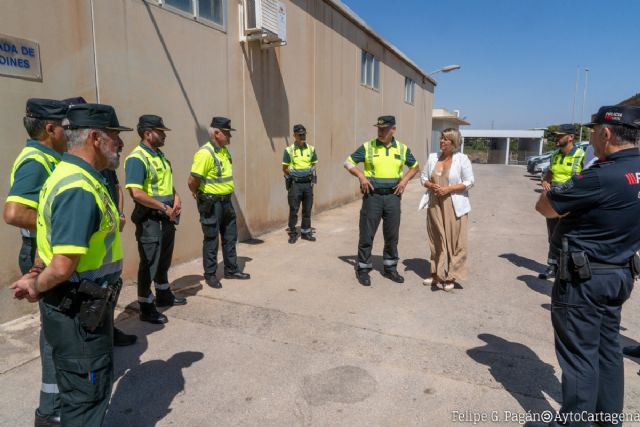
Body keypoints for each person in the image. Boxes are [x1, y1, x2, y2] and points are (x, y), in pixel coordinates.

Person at [10, 103, 133, 426]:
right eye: (114, 136)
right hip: (79, 309)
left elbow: (44, 239)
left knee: (79, 389)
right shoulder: (78, 187)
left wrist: (36, 271)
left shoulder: (68, 175)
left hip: (84, 304)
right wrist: (35, 284)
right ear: (95, 137)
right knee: (85, 396)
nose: (120, 144)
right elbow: (63, 265)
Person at [527, 105, 640, 427]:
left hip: (584, 278)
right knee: (607, 351)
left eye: (592, 132)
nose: (590, 138)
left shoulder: (601, 175)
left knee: (579, 356)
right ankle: (608, 420)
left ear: (606, 133)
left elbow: (545, 206)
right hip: (620, 272)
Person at [4, 98, 67, 426]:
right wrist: (61, 225)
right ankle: (50, 408)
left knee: (60, 329)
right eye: (64, 126)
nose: (68, 132)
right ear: (50, 128)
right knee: (54, 332)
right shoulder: (35, 160)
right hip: (40, 253)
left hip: (49, 251)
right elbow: (13, 213)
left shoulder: (50, 157)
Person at [124, 115, 186, 325]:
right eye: (160, 131)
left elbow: (166, 183)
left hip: (167, 217)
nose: (164, 134)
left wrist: (176, 197)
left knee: (163, 259)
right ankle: (146, 306)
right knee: (149, 262)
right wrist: (163, 207)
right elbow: (136, 193)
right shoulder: (137, 158)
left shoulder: (159, 155)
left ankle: (163, 293)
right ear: (147, 133)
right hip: (151, 219)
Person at [344, 115, 419, 286]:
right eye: (379, 128)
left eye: (384, 129)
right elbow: (348, 162)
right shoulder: (368, 147)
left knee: (392, 235)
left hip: (393, 196)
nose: (381, 131)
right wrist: (361, 176)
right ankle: (363, 268)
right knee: (367, 234)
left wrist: (404, 180)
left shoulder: (402, 148)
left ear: (393, 129)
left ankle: (390, 268)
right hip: (373, 196)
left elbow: (415, 167)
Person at [188, 116, 250, 289]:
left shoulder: (223, 151)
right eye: (227, 133)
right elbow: (192, 180)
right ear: (216, 133)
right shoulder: (205, 153)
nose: (230, 136)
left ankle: (231, 269)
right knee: (211, 239)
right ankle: (210, 274)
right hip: (211, 203)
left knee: (230, 236)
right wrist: (197, 194)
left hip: (226, 202)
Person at [419, 128, 474, 291]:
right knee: (436, 239)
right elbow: (423, 178)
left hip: (454, 203)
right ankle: (436, 274)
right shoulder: (432, 158)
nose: (441, 141)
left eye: (446, 139)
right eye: (441, 138)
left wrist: (448, 189)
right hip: (435, 202)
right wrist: (430, 184)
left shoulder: (462, 159)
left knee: (455, 241)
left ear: (454, 142)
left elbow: (470, 181)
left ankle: (451, 276)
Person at [538, 124, 585, 280]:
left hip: (572, 201)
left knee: (569, 236)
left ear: (570, 137)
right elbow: (550, 172)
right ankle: (552, 266)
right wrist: (546, 181)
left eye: (560, 136)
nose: (556, 138)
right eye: (556, 136)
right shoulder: (555, 155)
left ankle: (571, 268)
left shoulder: (581, 155)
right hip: (554, 199)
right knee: (553, 235)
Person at [282, 124, 318, 243]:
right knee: (294, 209)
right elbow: (285, 168)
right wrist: (296, 175)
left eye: (304, 134)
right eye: (300, 134)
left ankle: (306, 232)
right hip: (295, 185)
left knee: (307, 210)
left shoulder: (311, 149)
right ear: (294, 135)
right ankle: (292, 232)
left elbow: (313, 164)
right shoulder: (289, 150)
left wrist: (310, 174)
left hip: (307, 184)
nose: (302, 136)